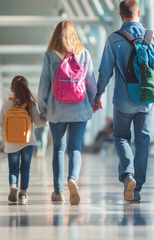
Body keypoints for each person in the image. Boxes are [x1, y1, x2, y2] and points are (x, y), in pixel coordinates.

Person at [93, 0, 154, 203]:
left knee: (120, 138)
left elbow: (104, 73)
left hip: (123, 101)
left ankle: (128, 176)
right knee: (143, 143)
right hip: (147, 101)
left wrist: (98, 96)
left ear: (120, 15)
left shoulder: (113, 39)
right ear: (139, 13)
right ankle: (136, 190)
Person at [38, 21, 97, 205]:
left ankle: (58, 192)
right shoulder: (84, 54)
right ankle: (73, 179)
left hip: (57, 111)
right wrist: (93, 103)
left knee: (58, 149)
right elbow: (91, 84)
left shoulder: (50, 56)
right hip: (79, 110)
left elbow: (43, 87)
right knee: (75, 148)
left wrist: (43, 109)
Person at [0, 76, 47, 204]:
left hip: (11, 142)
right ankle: (23, 194)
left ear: (11, 89)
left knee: (13, 169)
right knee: (25, 169)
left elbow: (0, 123)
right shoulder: (31, 104)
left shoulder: (6, 104)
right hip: (28, 141)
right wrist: (46, 118)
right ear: (27, 88)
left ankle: (13, 186)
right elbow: (39, 122)